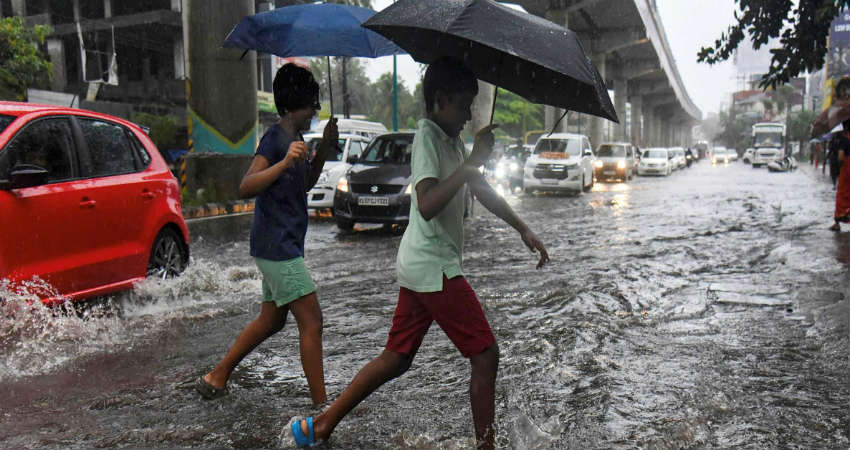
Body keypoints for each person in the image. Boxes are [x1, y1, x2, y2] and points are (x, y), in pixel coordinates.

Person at [287, 57, 549, 449]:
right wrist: (471, 162)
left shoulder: (453, 141)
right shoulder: (427, 136)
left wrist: (522, 228)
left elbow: (481, 190)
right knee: (486, 354)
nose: (468, 116)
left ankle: (323, 424)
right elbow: (426, 202)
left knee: (396, 356)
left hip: (423, 265)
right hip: (434, 265)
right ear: (440, 100)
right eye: (463, 106)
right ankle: (487, 446)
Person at [195, 64, 338, 406]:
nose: (314, 114)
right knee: (312, 321)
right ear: (295, 105)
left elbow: (303, 186)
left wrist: (323, 152)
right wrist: (285, 162)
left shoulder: (298, 140)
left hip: (281, 244)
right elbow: (246, 186)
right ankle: (323, 409)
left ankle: (216, 377)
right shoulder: (276, 139)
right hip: (277, 247)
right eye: (311, 108)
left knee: (272, 320)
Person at [830, 119, 850, 231]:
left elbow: (841, 156)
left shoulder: (843, 139)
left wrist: (839, 166)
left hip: (847, 168)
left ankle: (837, 222)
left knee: (842, 193)